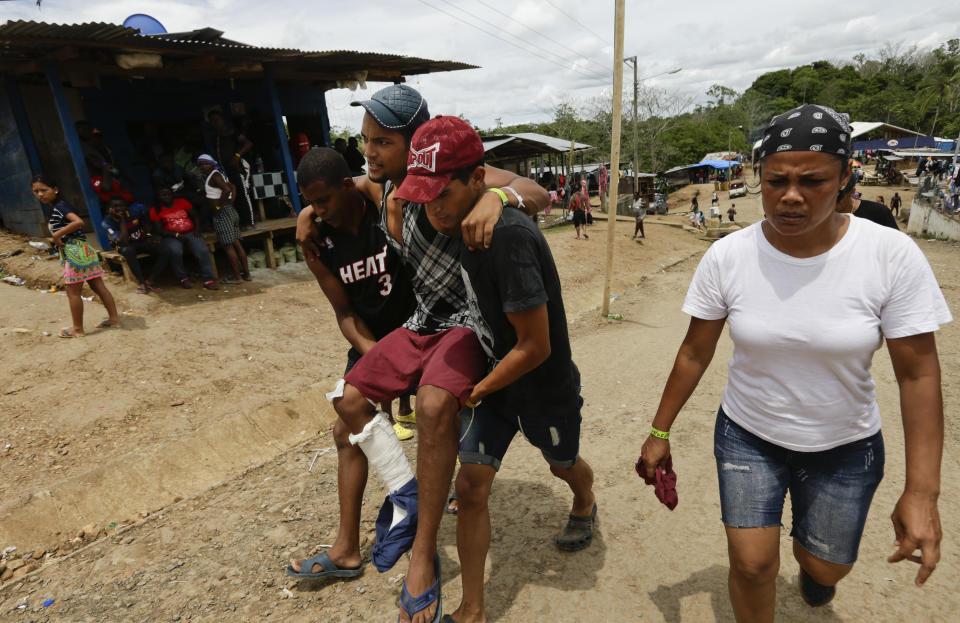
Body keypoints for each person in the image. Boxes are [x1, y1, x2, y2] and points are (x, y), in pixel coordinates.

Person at [639, 104, 950, 622]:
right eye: (775, 180)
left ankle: (815, 570)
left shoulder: (889, 256)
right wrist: (659, 431)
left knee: (826, 568)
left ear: (847, 178)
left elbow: (918, 374)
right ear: (756, 178)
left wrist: (922, 492)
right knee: (753, 564)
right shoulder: (729, 256)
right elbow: (695, 351)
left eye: (813, 181)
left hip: (844, 445)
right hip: (747, 434)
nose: (790, 196)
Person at [289, 86, 547, 623]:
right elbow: (342, 185)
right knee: (347, 403)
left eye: (383, 141)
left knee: (433, 409)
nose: (370, 153)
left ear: (418, 142)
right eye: (366, 141)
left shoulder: (459, 179)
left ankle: (423, 553)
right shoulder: (378, 186)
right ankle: (403, 499)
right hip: (415, 324)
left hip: (462, 323)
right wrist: (307, 213)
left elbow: (536, 190)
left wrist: (500, 198)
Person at [395, 117, 596, 623]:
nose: (433, 207)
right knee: (472, 485)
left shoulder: (505, 238)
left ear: (476, 179)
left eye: (443, 192)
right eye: (425, 195)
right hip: (497, 386)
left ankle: (585, 500)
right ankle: (474, 609)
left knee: (562, 463)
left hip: (539, 386)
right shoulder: (462, 221)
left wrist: (475, 390)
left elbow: (535, 346)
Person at [294, 145, 417, 443]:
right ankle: (403, 486)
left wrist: (305, 211)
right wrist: (375, 353)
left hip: (416, 331)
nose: (319, 211)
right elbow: (345, 313)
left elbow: (375, 180)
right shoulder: (318, 246)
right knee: (345, 430)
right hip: (370, 338)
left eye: (323, 201)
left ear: (347, 185)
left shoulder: (381, 208)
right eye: (312, 203)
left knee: (441, 408)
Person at [31, 174, 120, 337]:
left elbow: (78, 222)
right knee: (98, 286)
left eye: (43, 190)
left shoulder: (60, 207)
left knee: (73, 292)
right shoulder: (59, 206)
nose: (40, 194)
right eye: (36, 191)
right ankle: (114, 319)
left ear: (55, 190)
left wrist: (57, 236)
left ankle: (77, 329)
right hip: (84, 250)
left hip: (74, 253)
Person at [150, 186, 218, 290]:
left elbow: (195, 215)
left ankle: (209, 279)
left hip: (190, 232)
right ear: (158, 197)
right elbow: (159, 230)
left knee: (202, 250)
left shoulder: (181, 202)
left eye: (168, 194)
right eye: (163, 195)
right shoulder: (155, 210)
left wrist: (197, 229)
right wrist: (175, 235)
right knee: (175, 251)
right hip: (171, 236)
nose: (166, 197)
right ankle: (183, 278)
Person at [197, 154, 250, 283]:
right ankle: (246, 275)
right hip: (230, 212)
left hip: (223, 215)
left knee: (228, 246)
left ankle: (237, 277)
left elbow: (227, 189)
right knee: (237, 243)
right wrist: (230, 202)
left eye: (206, 163)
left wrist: (219, 207)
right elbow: (233, 187)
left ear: (212, 164)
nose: (204, 166)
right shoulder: (218, 174)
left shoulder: (214, 175)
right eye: (201, 164)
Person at [101, 195, 170, 294]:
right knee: (128, 250)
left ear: (126, 206)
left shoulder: (133, 211)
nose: (119, 208)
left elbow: (146, 219)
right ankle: (141, 282)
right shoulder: (107, 222)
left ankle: (150, 280)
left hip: (140, 241)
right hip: (122, 245)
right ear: (109, 209)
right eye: (115, 206)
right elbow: (123, 241)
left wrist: (150, 235)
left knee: (165, 250)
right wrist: (122, 220)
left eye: (121, 206)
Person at [207, 109, 255, 227]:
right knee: (231, 197)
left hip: (236, 169)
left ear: (222, 120)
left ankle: (250, 223)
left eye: (217, 120)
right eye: (212, 121)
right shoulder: (214, 137)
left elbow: (248, 144)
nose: (215, 122)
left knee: (243, 195)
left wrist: (237, 156)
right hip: (223, 172)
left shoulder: (232, 132)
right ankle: (238, 223)